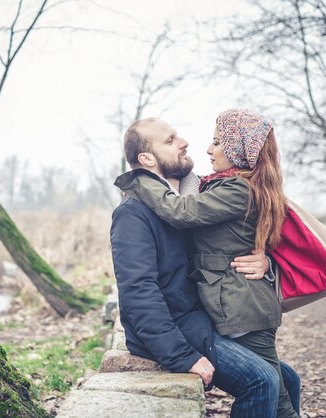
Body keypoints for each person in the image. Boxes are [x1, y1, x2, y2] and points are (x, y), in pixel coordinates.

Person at [114, 111, 299, 417]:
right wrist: (183, 357)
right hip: (176, 329)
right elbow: (138, 294)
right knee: (262, 381)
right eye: (171, 140)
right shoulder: (134, 213)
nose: (185, 143)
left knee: (288, 378)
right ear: (146, 159)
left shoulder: (187, 198)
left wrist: (265, 260)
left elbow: (228, 240)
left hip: (199, 318)